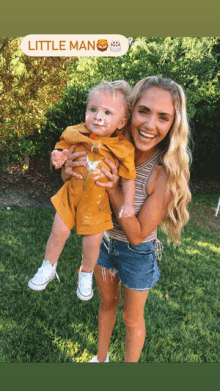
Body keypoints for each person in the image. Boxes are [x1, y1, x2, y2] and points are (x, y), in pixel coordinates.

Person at [63, 76, 192, 362]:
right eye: (144, 111)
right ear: (130, 112)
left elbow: (136, 233)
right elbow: (76, 181)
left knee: (131, 319)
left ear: (173, 125)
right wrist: (68, 169)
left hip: (138, 253)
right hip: (104, 242)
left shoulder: (162, 174)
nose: (149, 125)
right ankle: (101, 357)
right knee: (107, 305)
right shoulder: (107, 144)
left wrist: (111, 187)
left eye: (163, 117)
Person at [28, 81, 136, 301]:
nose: (98, 116)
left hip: (97, 204)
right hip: (70, 196)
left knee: (92, 242)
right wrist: (58, 155)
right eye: (93, 109)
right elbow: (62, 146)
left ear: (121, 122)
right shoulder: (75, 132)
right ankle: (48, 266)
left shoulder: (122, 147)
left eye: (107, 112)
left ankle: (86, 273)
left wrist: (129, 203)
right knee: (58, 232)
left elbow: (129, 176)